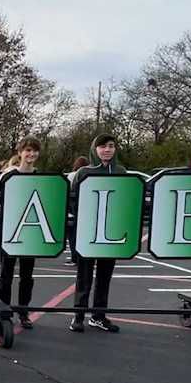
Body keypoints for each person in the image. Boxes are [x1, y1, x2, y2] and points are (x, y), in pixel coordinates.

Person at [69, 134, 125, 333]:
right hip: (88, 233)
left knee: (104, 275)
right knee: (84, 275)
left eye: (110, 146)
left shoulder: (120, 171)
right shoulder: (84, 172)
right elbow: (74, 200)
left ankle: (99, 315)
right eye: (102, 147)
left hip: (110, 234)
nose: (107, 150)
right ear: (95, 149)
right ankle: (78, 315)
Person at [0, 138, 43, 329]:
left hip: (30, 233)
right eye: (28, 150)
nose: (31, 155)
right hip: (10, 231)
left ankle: (23, 311)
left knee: (27, 274)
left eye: (35, 151)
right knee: (6, 272)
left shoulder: (40, 177)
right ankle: (4, 311)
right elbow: (0, 203)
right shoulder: (8, 176)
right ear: (20, 152)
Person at [64, 155, 90, 265]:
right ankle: (84, 257)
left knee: (73, 236)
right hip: (86, 209)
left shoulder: (71, 176)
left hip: (73, 209)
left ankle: (75, 258)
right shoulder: (89, 175)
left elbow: (67, 191)